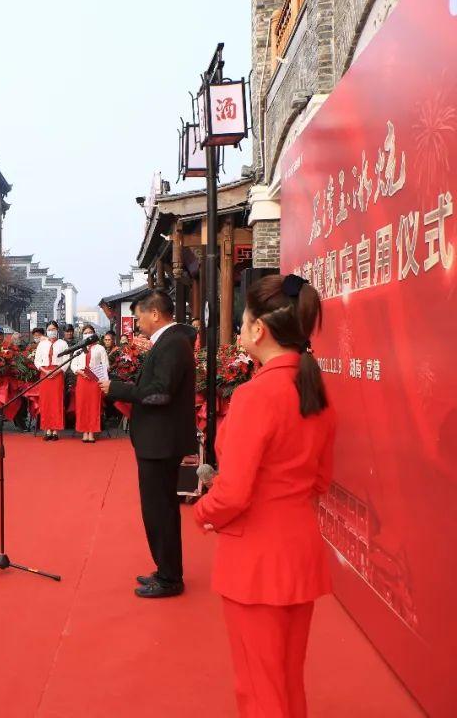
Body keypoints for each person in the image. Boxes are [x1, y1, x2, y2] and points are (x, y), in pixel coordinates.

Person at [193, 275, 334, 718]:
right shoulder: (315, 389)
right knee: (287, 679)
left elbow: (233, 493)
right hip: (298, 550)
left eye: (243, 321)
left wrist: (202, 511)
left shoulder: (257, 395)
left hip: (255, 559)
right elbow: (320, 481)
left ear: (259, 330)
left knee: (259, 687)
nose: (239, 331)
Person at [100, 291, 196, 598]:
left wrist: (118, 389)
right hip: (158, 439)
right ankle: (165, 568)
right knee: (159, 509)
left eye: (139, 316)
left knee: (160, 510)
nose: (137, 323)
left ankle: (169, 578)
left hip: (161, 441)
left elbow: (160, 393)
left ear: (155, 314)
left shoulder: (173, 344)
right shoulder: (170, 342)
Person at [70, 324, 110, 443]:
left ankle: (91, 431)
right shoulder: (79, 348)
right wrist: (79, 371)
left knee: (93, 406)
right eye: (85, 333)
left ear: (93, 334)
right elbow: (73, 364)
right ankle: (84, 431)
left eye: (89, 332)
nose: (87, 335)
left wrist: (96, 371)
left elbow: (106, 365)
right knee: (82, 405)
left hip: (94, 380)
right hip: (82, 380)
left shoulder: (100, 348)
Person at [34, 320, 69, 441]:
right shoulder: (42, 344)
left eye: (53, 329)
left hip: (57, 373)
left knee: (56, 402)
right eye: (49, 330)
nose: (51, 332)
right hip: (44, 374)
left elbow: (67, 360)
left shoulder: (63, 343)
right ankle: (47, 429)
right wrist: (44, 371)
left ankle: (55, 430)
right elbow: (37, 361)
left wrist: (57, 371)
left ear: (57, 330)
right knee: (46, 402)